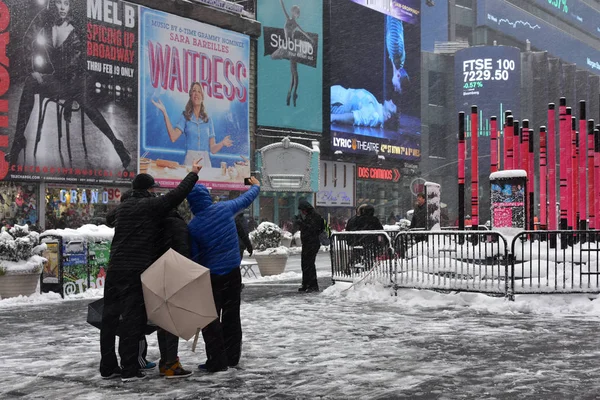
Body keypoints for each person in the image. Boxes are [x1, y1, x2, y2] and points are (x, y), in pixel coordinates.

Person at [99, 160, 201, 382]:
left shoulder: (124, 208)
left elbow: (109, 219)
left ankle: (108, 366)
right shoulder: (149, 206)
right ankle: (129, 370)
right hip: (134, 270)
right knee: (131, 320)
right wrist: (193, 174)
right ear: (150, 190)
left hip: (115, 268)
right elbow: (177, 195)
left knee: (109, 319)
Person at [8, 0, 131, 168]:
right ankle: (18, 141)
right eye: (59, 3)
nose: (62, 7)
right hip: (58, 79)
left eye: (66, 3)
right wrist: (32, 69)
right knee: (30, 82)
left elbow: (81, 66)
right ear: (53, 4)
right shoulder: (45, 17)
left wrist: (68, 101)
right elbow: (27, 39)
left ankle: (117, 144)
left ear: (70, 6)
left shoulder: (77, 29)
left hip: (77, 81)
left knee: (89, 107)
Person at [187, 177, 261, 373]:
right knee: (232, 316)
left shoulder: (193, 227)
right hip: (233, 274)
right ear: (208, 198)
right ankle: (232, 357)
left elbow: (195, 257)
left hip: (211, 278)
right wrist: (256, 186)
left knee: (210, 320)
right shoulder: (224, 208)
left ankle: (216, 360)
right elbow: (247, 198)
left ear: (192, 203)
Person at [151, 82, 233, 170]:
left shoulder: (208, 119)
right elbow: (173, 137)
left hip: (205, 164)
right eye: (194, 91)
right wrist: (165, 113)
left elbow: (213, 149)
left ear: (202, 96)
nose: (196, 93)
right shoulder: (185, 117)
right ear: (190, 95)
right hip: (190, 162)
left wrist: (222, 143)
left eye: (199, 91)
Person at [270, 0, 315, 107]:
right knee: (293, 72)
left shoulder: (294, 23)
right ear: (293, 13)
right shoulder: (289, 19)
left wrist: (311, 40)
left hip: (292, 48)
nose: (297, 15)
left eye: (298, 13)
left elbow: (303, 32)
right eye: (297, 13)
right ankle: (292, 93)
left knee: (294, 72)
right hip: (288, 47)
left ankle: (292, 93)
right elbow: (283, 7)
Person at [330, 85, 397, 128]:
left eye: (393, 106)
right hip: (339, 95)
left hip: (337, 101)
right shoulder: (376, 108)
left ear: (389, 115)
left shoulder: (374, 116)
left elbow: (354, 118)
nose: (391, 101)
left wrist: (333, 117)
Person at [295, 200, 325, 293]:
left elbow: (313, 229)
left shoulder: (314, 217)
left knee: (309, 264)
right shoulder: (309, 216)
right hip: (307, 243)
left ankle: (312, 285)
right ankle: (306, 284)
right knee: (305, 264)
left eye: (303, 210)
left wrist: (302, 223)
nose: (302, 212)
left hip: (312, 243)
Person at [385, 15, 409, 93]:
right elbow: (393, 17)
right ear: (398, 76)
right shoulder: (396, 51)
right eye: (396, 86)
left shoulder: (400, 59)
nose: (394, 88)